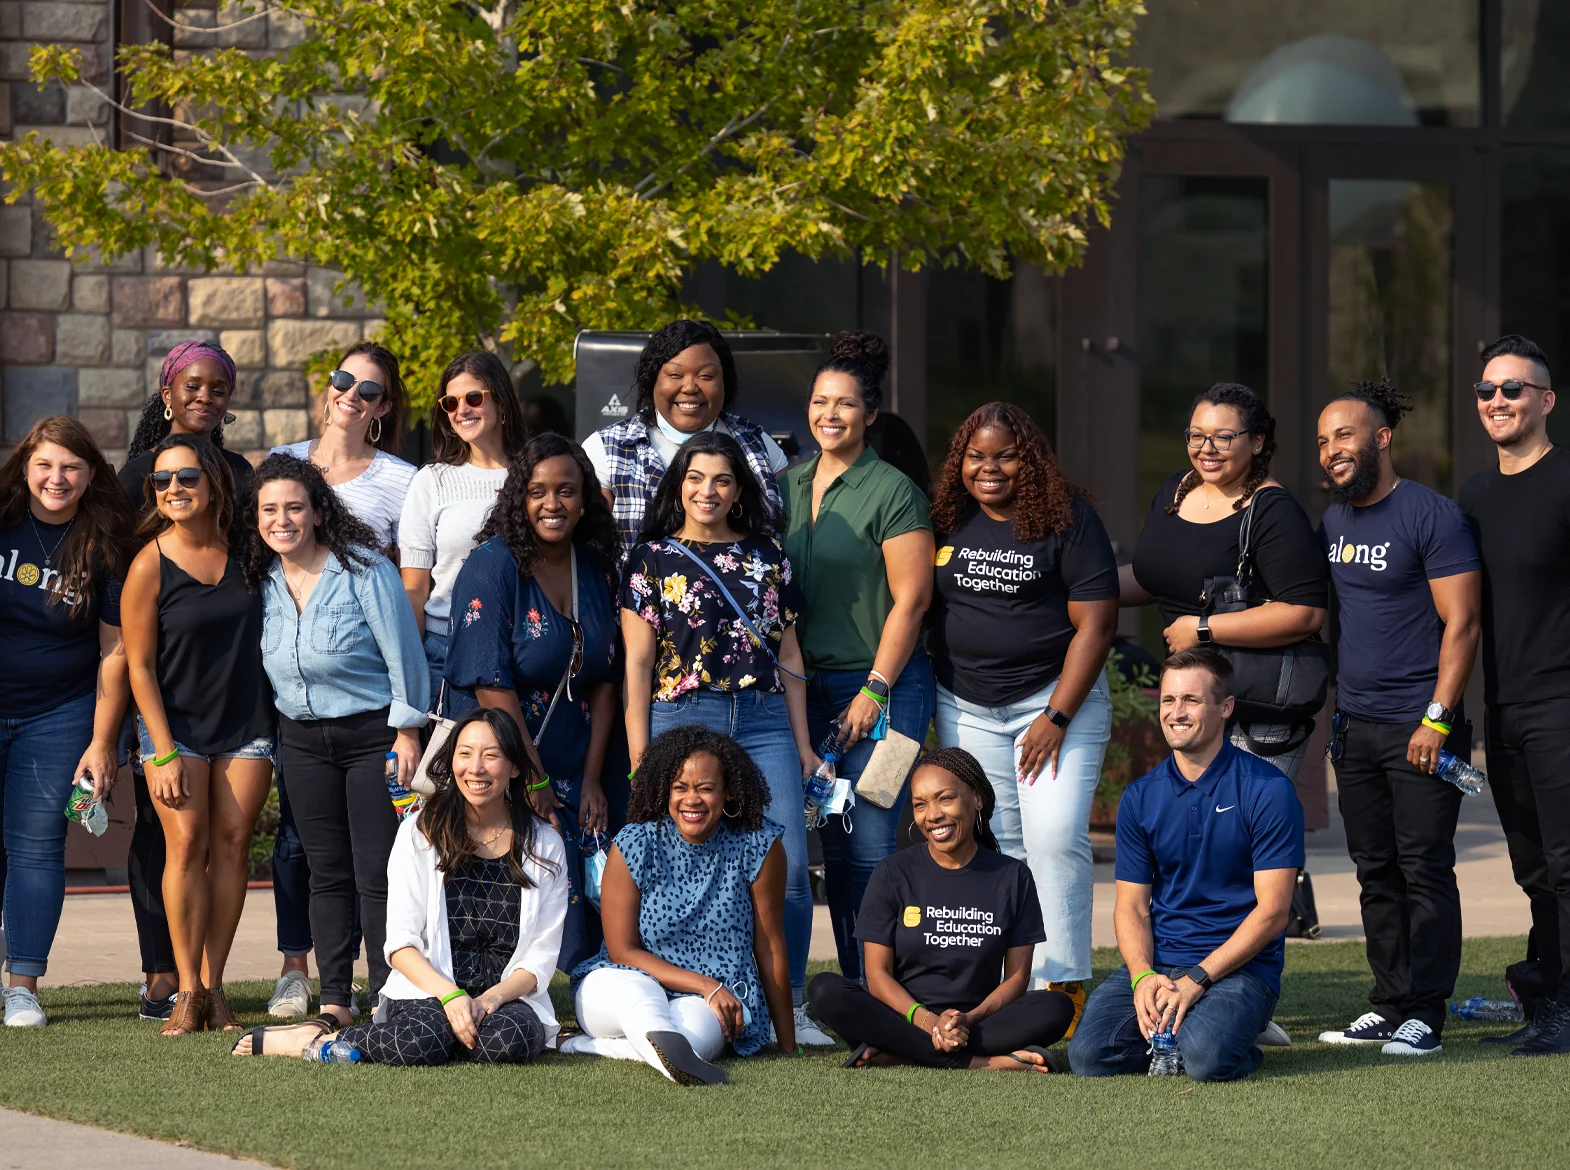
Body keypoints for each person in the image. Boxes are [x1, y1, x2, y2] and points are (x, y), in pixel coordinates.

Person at [621, 431, 827, 1045]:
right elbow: (636, 662)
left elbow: (790, 655)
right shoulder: (650, 558)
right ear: (677, 485)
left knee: (784, 868)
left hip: (762, 720)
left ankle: (783, 1006)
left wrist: (803, 744)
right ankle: (677, 992)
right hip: (683, 720)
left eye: (722, 480)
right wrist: (640, 752)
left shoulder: (769, 556)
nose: (707, 491)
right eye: (695, 478)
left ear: (739, 490)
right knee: (680, 867)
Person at [230, 709, 568, 1065]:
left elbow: (541, 956)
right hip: (428, 991)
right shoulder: (420, 832)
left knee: (507, 1041)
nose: (476, 768)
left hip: (504, 998)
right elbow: (401, 944)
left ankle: (456, 1030)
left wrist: (490, 1000)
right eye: (465, 754)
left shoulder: (543, 845)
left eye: (492, 755)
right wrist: (451, 997)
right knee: (425, 1039)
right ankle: (318, 1039)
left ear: (514, 766)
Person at [928, 402, 1117, 1030]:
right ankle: (1012, 988)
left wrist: (1057, 716)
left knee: (1055, 836)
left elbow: (1098, 624)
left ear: (1028, 459)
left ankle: (1062, 988)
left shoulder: (1068, 519)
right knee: (999, 844)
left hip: (1054, 702)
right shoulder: (946, 521)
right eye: (976, 456)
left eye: (1005, 455)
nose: (989, 468)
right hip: (967, 706)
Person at [1314, 379, 1481, 1057]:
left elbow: (1463, 624)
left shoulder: (1432, 516)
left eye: (1345, 435)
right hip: (1357, 729)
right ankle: (1388, 1003)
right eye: (1323, 441)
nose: (1331, 451)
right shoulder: (1331, 523)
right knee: (1373, 869)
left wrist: (1436, 720)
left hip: (1421, 729)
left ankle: (1426, 1013)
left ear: (1382, 437)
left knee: (1424, 868)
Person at [247, 454, 430, 1027]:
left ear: (320, 512)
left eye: (295, 507)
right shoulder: (261, 579)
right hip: (300, 741)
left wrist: (406, 732)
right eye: (270, 509)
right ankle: (335, 999)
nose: (283, 520)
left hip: (371, 735)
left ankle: (387, 995)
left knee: (377, 870)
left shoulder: (364, 569)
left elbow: (406, 655)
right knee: (325, 872)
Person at [779, 329, 935, 982]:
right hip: (808, 693)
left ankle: (887, 986)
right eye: (819, 402)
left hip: (891, 695)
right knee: (834, 850)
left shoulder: (895, 491)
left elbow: (913, 600)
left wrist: (874, 690)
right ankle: (855, 985)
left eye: (844, 404)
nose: (829, 415)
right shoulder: (786, 485)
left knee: (871, 844)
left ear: (870, 413)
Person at [1069, 650, 1303, 1082]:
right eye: (1167, 700)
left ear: (1225, 708)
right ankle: (1189, 1025)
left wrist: (1198, 979)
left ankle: (1234, 1030)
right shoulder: (1141, 796)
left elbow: (1274, 912)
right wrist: (1142, 977)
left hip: (1241, 970)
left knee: (1204, 1060)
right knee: (1088, 1058)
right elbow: (1132, 907)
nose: (1176, 713)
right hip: (1162, 961)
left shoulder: (1268, 790)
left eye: (1191, 701)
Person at [117, 341, 265, 1023]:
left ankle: (214, 984)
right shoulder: (147, 554)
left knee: (232, 844)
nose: (174, 490)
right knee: (181, 841)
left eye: (188, 482)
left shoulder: (245, 542)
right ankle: (181, 987)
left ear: (215, 486)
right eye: (164, 484)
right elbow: (133, 654)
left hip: (244, 716)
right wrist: (155, 743)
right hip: (174, 720)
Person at [443, 434, 622, 969]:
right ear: (518, 498)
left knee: (590, 875)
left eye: (566, 491)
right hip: (511, 758)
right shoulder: (492, 565)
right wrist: (534, 776)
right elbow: (490, 683)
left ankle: (595, 983)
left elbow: (608, 676)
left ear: (584, 498)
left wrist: (592, 777)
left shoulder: (596, 566)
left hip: (583, 752)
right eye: (538, 491)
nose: (552, 504)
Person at [809, 749, 1077, 1071]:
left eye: (945, 798)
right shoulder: (892, 873)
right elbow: (877, 976)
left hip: (979, 1023)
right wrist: (928, 1022)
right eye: (920, 804)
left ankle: (901, 1054)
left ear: (976, 799)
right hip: (905, 1017)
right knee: (825, 990)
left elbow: (1017, 979)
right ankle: (983, 1063)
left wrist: (967, 1019)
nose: (932, 815)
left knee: (1058, 1006)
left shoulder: (1012, 877)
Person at [563, 726, 795, 1084]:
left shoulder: (758, 845)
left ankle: (594, 1046)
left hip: (713, 1000)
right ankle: (644, 1041)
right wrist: (706, 985)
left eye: (706, 788)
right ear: (664, 791)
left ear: (728, 792)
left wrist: (788, 1046)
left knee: (692, 1042)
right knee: (641, 996)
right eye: (680, 787)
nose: (692, 800)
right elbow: (622, 951)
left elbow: (770, 948)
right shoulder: (635, 843)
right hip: (624, 983)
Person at [0, 418, 136, 1028]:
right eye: (46, 465)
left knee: (35, 848)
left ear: (90, 474)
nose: (57, 478)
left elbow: (116, 651)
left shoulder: (105, 541)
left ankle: (22, 985)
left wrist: (102, 742)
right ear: (26, 466)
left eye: (72, 467)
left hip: (58, 713)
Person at [1122, 382, 1328, 777]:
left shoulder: (1273, 511)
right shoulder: (1175, 489)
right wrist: (1078, 589)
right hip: (1191, 700)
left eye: (1223, 437)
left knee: (1243, 830)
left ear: (1256, 442)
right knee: (1198, 830)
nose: (1207, 448)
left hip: (1253, 709)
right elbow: (1153, 576)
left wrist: (1202, 630)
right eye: (1197, 436)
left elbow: (1305, 613)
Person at [1460, 335, 1570, 1056]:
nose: (1498, 400)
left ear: (1546, 400)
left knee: (1567, 862)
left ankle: (1562, 1007)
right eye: (1487, 391)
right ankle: (1548, 993)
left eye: (1514, 389)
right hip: (1500, 708)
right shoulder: (1473, 494)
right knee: (1532, 865)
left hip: (1562, 702)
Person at [584, 319, 789, 553]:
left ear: (725, 383)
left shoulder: (757, 444)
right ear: (653, 380)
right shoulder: (607, 449)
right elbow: (588, 545)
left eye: (706, 376)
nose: (690, 387)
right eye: (675, 374)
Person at [399, 350, 529, 698]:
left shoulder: (535, 472)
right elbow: (414, 588)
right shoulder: (432, 480)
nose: (461, 410)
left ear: (500, 401)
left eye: (473, 397)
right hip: (446, 647)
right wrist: (412, 672)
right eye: (450, 403)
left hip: (526, 644)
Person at [272, 340, 416, 552]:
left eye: (368, 390)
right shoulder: (282, 458)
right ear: (330, 385)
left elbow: (410, 572)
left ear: (382, 407)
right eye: (343, 380)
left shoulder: (402, 478)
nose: (351, 394)